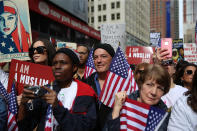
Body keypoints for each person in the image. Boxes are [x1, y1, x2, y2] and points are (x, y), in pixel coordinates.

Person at [17, 48, 97, 130]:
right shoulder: (45, 90)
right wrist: (23, 105)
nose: (58, 66)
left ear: (74, 68)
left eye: (63, 63)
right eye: (54, 63)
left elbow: (87, 127)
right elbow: (25, 126)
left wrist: (57, 106)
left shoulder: (86, 91)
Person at [107, 64, 171, 131]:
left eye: (160, 88)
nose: (154, 92)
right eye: (149, 85)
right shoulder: (123, 104)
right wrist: (116, 109)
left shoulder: (164, 116)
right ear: (141, 84)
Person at [85, 43, 115, 130]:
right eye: (95, 57)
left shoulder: (122, 83)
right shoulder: (86, 82)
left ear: (113, 59)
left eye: (103, 56)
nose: (99, 60)